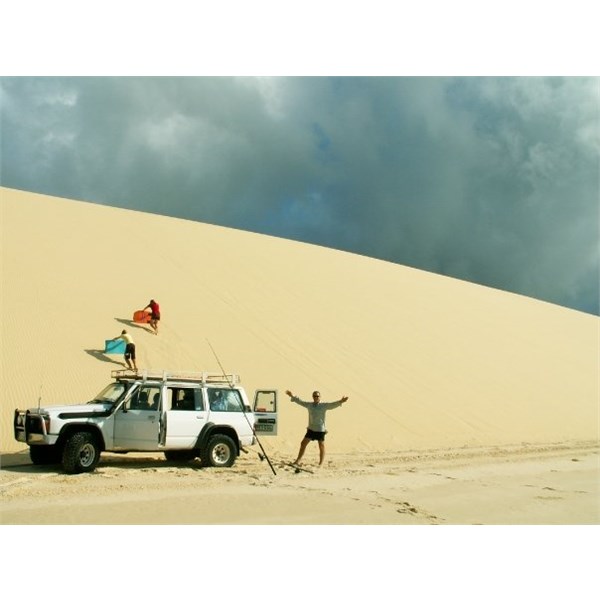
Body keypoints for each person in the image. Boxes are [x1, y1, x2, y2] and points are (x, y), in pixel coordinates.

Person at [286, 389, 348, 467]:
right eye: (314, 396)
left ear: (320, 397)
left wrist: (341, 401)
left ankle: (321, 463)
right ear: (313, 397)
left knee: (321, 446)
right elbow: (300, 402)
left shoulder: (323, 405)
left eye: (317, 396)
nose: (316, 397)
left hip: (320, 429)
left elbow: (332, 405)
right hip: (311, 428)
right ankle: (298, 461)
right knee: (303, 443)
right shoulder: (309, 405)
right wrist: (292, 396)